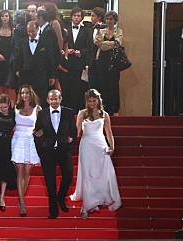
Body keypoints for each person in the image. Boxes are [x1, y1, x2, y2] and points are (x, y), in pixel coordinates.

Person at [71, 89, 122, 218]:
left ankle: (99, 198)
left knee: (102, 173)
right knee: (88, 174)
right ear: (86, 101)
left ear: (99, 100)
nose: (92, 103)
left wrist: (112, 147)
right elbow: (77, 132)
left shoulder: (104, 114)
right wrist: (70, 138)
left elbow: (109, 133)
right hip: (86, 145)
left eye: (95, 100)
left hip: (100, 145)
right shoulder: (82, 113)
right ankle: (87, 206)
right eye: (90, 101)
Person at [33, 90, 76, 219]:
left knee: (68, 175)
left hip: (64, 150)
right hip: (48, 152)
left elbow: (73, 132)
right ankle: (53, 209)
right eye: (51, 99)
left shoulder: (68, 112)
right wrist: (41, 150)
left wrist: (70, 142)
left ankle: (61, 197)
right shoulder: (42, 114)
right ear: (47, 100)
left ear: (60, 99)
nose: (54, 101)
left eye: (56, 99)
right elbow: (37, 132)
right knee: (50, 182)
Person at [11, 85, 40, 216]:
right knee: (19, 170)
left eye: (27, 93)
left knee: (28, 171)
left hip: (30, 141)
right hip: (17, 140)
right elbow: (11, 124)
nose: (25, 95)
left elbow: (43, 124)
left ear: (31, 93)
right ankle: (22, 203)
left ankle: (21, 198)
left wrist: (40, 132)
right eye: (22, 93)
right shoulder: (16, 108)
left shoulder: (37, 109)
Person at [14, 20, 58, 106]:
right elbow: (17, 57)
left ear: (38, 29)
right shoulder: (22, 42)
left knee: (41, 99)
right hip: (25, 76)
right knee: (26, 99)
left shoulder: (46, 41)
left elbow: (51, 59)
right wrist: (17, 70)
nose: (30, 33)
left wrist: (52, 75)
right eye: (28, 32)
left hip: (41, 76)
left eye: (32, 31)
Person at [93, 11, 123, 115]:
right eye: (107, 19)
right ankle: (103, 108)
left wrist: (104, 44)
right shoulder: (101, 31)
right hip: (101, 61)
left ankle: (114, 109)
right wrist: (107, 44)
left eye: (111, 19)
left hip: (114, 61)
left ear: (115, 20)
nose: (109, 21)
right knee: (102, 84)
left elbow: (118, 43)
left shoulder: (119, 31)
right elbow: (97, 43)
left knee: (114, 85)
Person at [65, 7, 91, 112]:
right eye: (75, 15)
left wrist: (81, 52)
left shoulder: (87, 30)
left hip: (80, 63)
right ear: (71, 16)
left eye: (79, 16)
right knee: (67, 86)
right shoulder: (65, 28)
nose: (76, 17)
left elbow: (89, 47)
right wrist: (67, 50)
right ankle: (68, 109)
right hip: (67, 63)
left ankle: (79, 110)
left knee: (79, 87)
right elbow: (61, 44)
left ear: (82, 18)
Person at [0, 10, 15, 101]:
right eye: (2, 16)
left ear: (9, 17)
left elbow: (16, 46)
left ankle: (11, 105)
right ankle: (0, 104)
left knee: (10, 82)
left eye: (6, 16)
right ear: (0, 18)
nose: (4, 18)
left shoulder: (13, 29)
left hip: (10, 59)